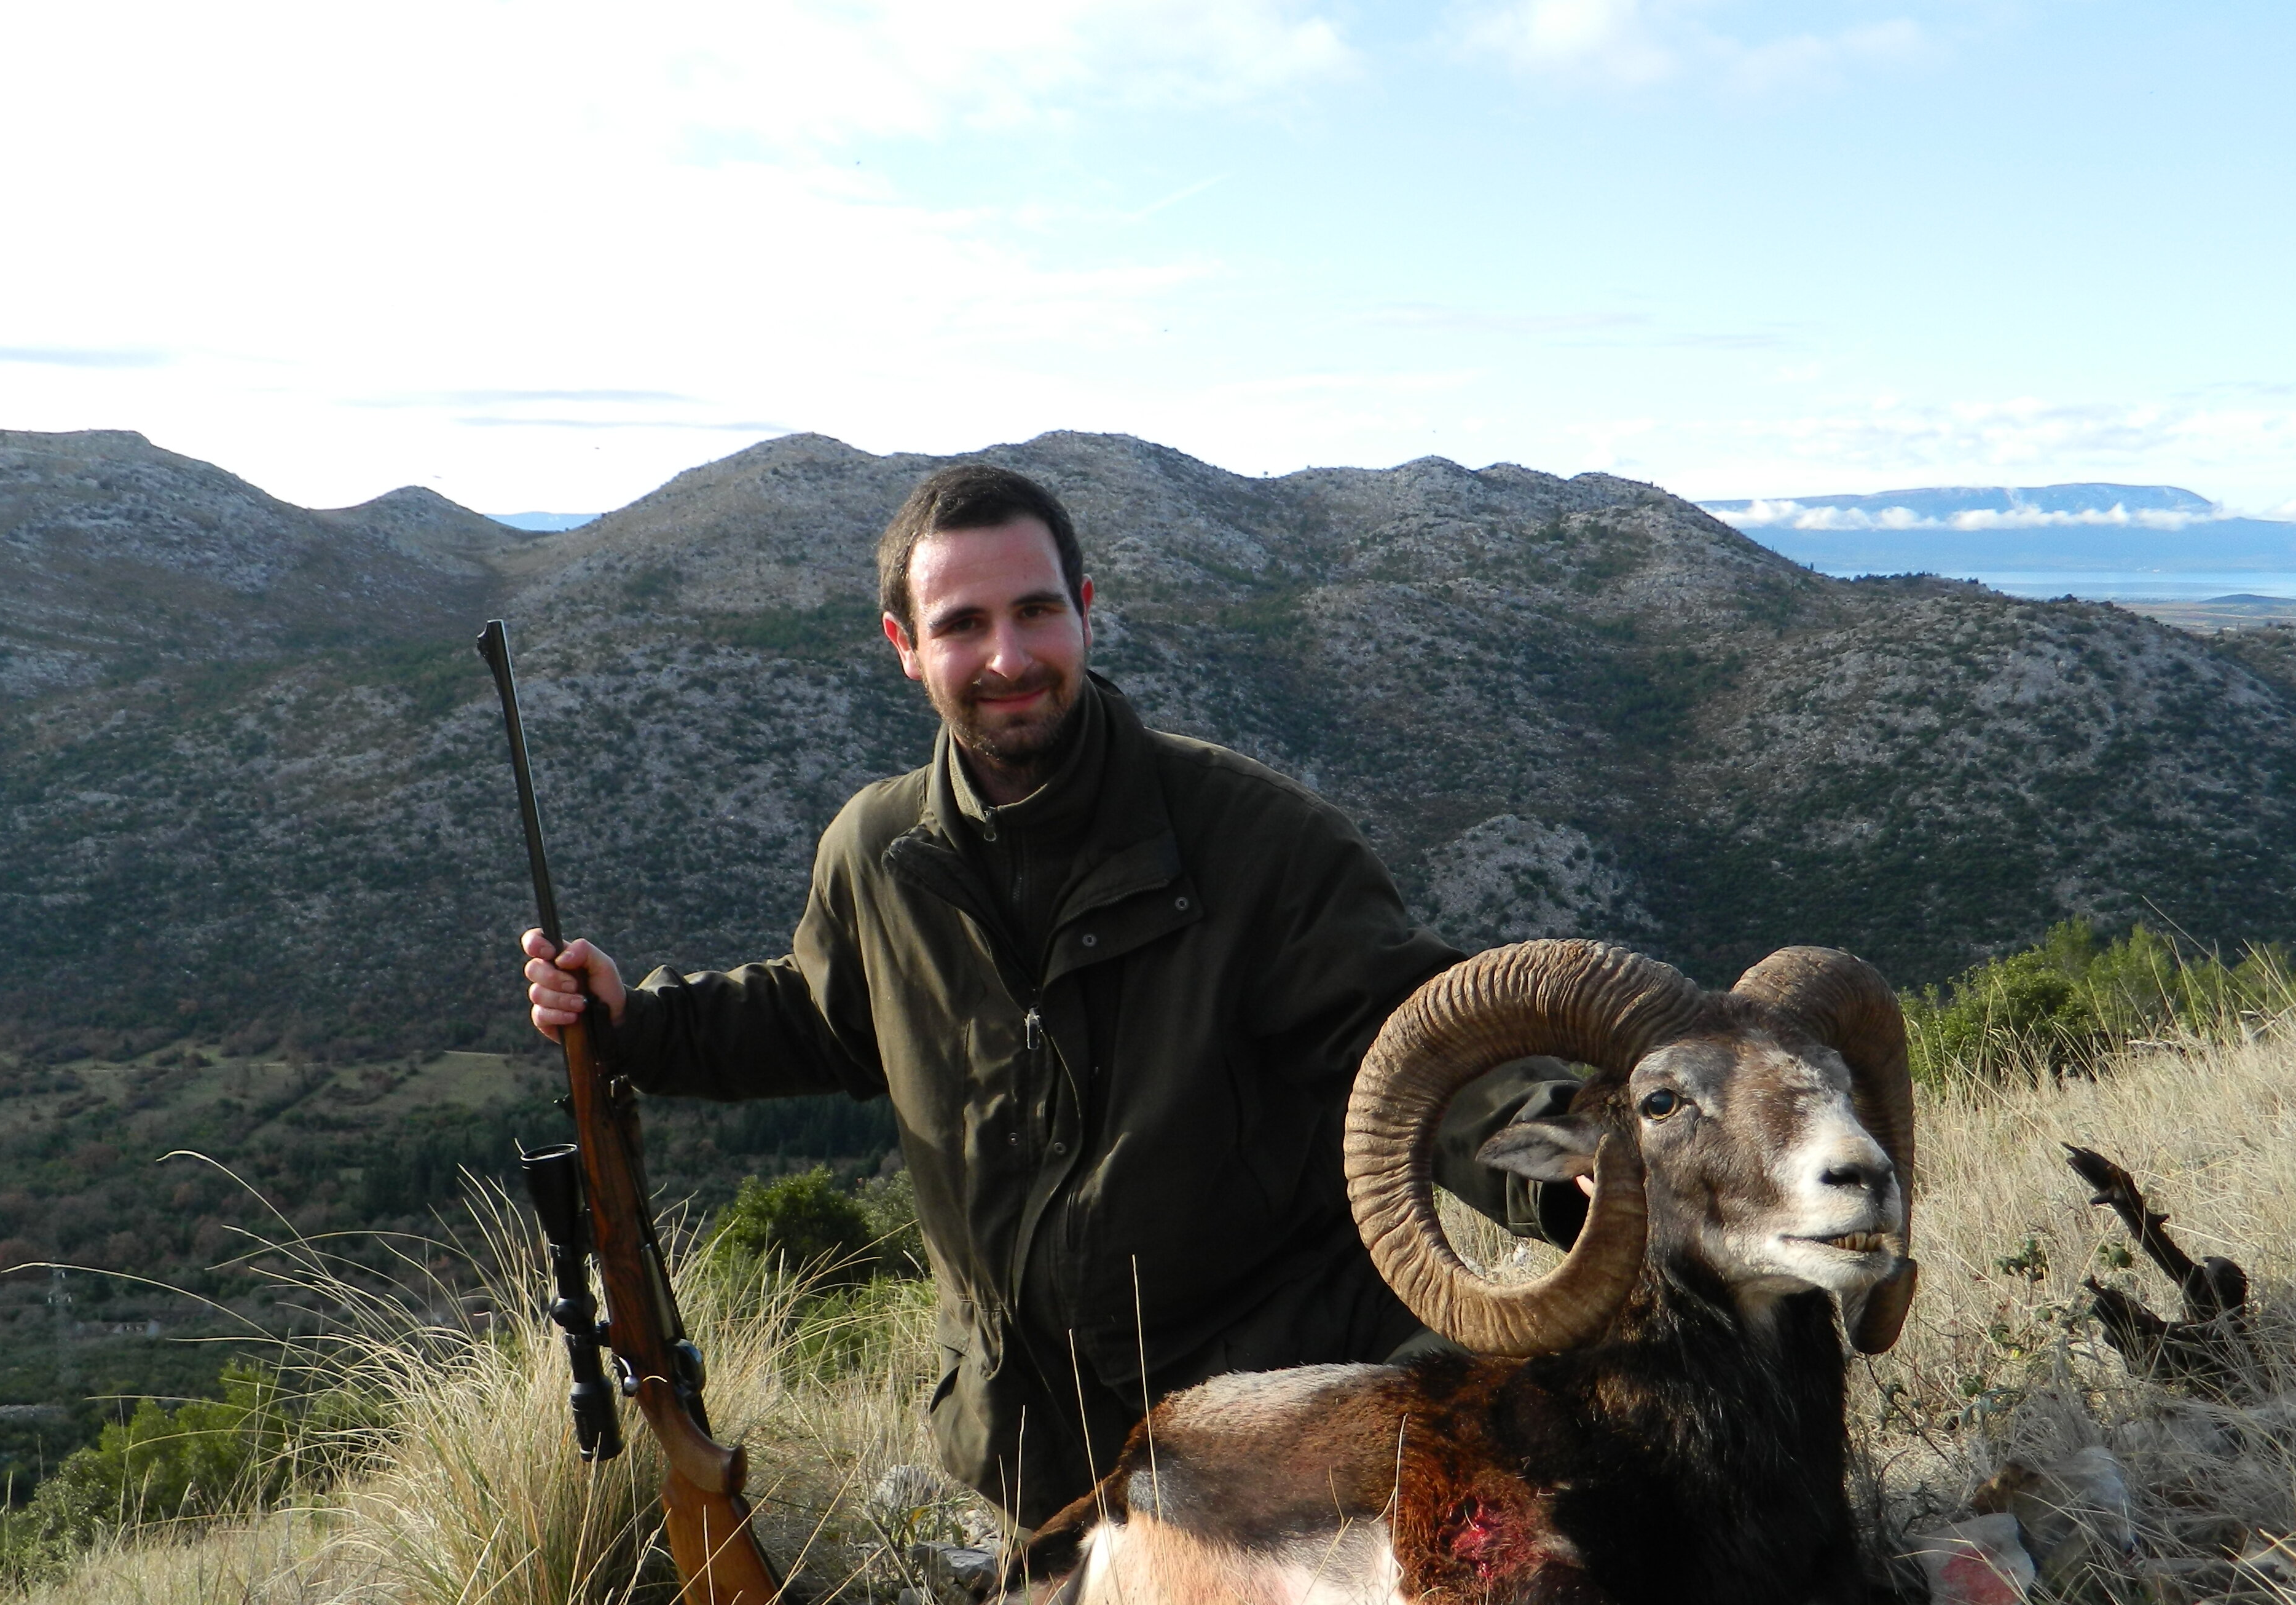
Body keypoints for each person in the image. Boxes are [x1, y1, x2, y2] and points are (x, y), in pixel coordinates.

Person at [522, 462, 1577, 1530]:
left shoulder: (1257, 842)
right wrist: (640, 1025)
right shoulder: (875, 854)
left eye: (1036, 612)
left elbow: (1422, 1056)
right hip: (1019, 1455)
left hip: (1277, 1428)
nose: (1007, 658)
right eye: (962, 625)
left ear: (1086, 611)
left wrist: (1587, 1181)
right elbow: (826, 1017)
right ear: (905, 649)